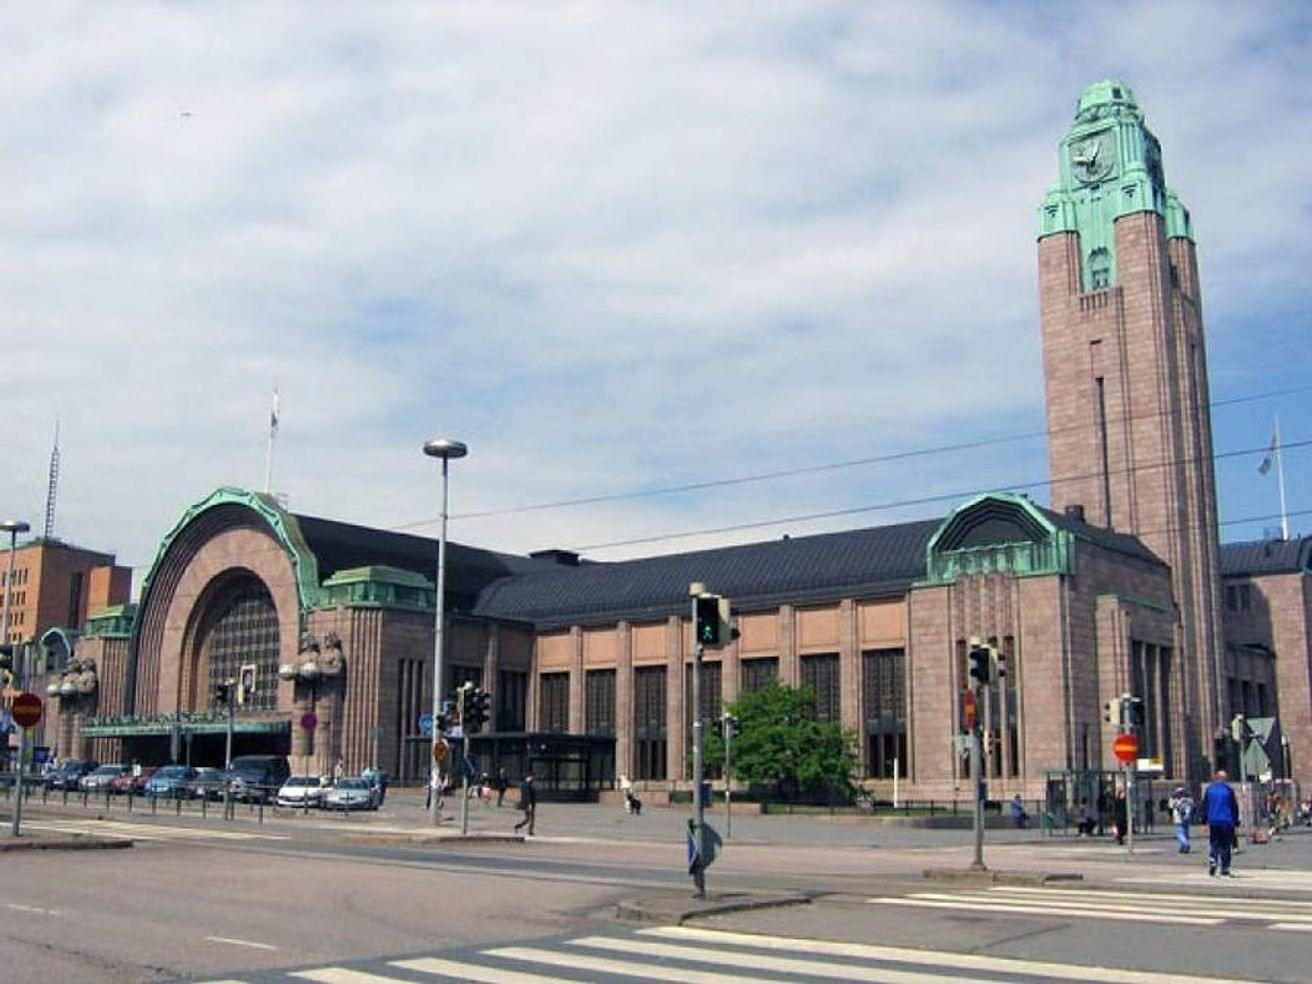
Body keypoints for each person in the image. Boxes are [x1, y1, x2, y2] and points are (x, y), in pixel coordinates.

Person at [1201, 769, 1240, 876]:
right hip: (1227, 821)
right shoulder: (1228, 790)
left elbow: (1205, 806)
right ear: (1224, 779)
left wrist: (1204, 821)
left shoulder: (1210, 789)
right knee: (1226, 845)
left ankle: (1213, 860)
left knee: (1214, 843)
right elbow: (1234, 807)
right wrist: (1236, 822)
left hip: (1213, 821)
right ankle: (1225, 867)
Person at [1169, 786, 1194, 853]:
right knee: (1185, 833)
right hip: (1187, 818)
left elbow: (1170, 807)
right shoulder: (1189, 800)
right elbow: (1193, 806)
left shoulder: (1175, 800)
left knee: (1180, 833)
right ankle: (1183, 847)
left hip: (1178, 818)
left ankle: (1185, 844)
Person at [513, 772, 537, 836]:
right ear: (531, 776)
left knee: (528, 818)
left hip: (528, 803)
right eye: (534, 777)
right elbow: (527, 795)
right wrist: (529, 804)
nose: (535, 778)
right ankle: (530, 831)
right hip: (529, 803)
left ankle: (518, 826)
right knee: (531, 818)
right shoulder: (527, 784)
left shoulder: (526, 784)